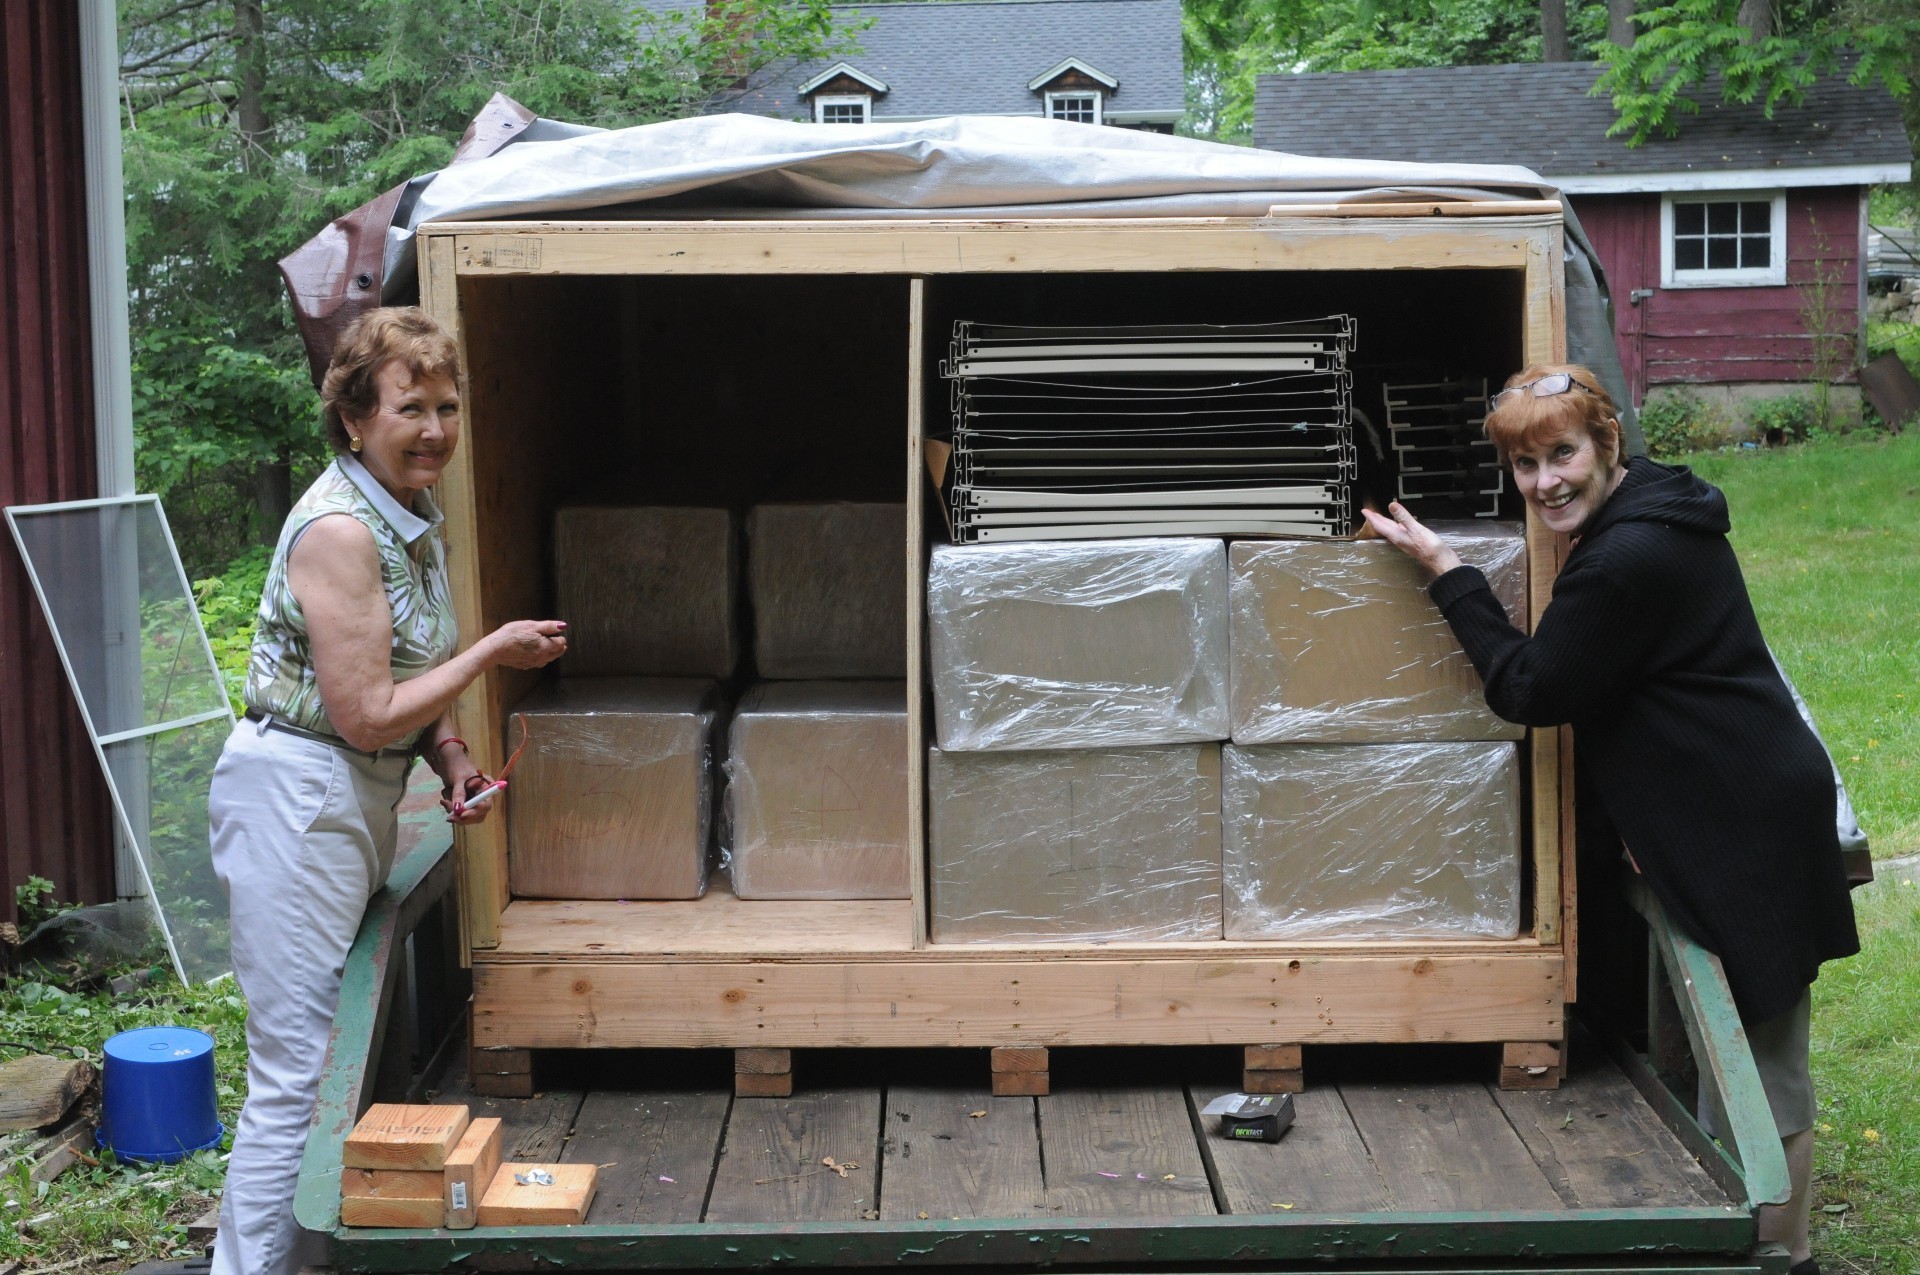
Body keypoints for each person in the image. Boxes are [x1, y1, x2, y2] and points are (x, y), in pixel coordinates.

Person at [1363, 363, 1857, 1275]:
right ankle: (1771, 1242)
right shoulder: (1653, 507)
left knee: (1761, 1064)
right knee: (1740, 1048)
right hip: (1735, 795)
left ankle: (1784, 1256)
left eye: (1563, 454)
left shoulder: (1627, 559)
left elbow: (1532, 687)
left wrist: (1449, 571)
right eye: (1525, 464)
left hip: (1744, 821)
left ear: (1606, 443)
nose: (1545, 481)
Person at [204, 307, 567, 1275]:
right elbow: (366, 712)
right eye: (411, 408)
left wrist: (450, 758)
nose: (435, 430)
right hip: (295, 797)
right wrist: (493, 652)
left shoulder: (411, 513)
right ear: (355, 417)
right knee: (298, 1075)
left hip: (348, 792)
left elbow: (411, 675)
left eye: (447, 407)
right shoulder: (340, 531)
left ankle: (304, 1260)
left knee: (331, 1061)